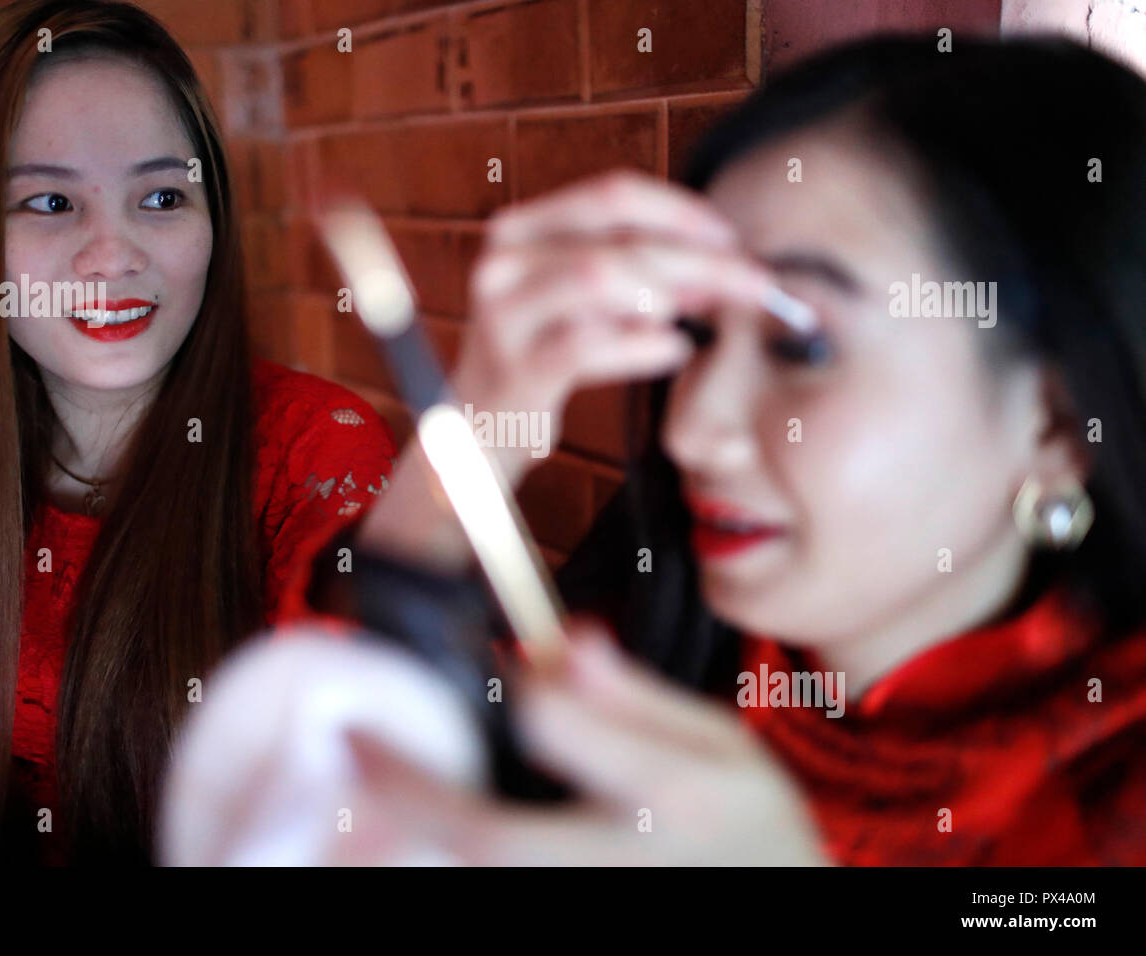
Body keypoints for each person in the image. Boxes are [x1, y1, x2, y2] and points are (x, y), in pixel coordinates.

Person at [170, 34, 1146, 865]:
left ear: (1056, 426)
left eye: (798, 342)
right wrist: (476, 423)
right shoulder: (644, 633)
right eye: (698, 332)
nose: (687, 429)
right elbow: (320, 791)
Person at [0, 0, 395, 865]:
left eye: (163, 196)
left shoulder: (313, 448)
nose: (115, 253)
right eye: (52, 200)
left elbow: (364, 748)